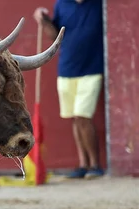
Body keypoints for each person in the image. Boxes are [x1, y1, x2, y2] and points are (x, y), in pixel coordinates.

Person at [34, 0, 105, 179]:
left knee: (82, 115)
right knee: (75, 117)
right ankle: (83, 164)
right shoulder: (62, 4)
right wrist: (44, 21)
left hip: (92, 68)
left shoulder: (99, 3)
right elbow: (56, 36)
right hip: (67, 68)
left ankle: (95, 165)